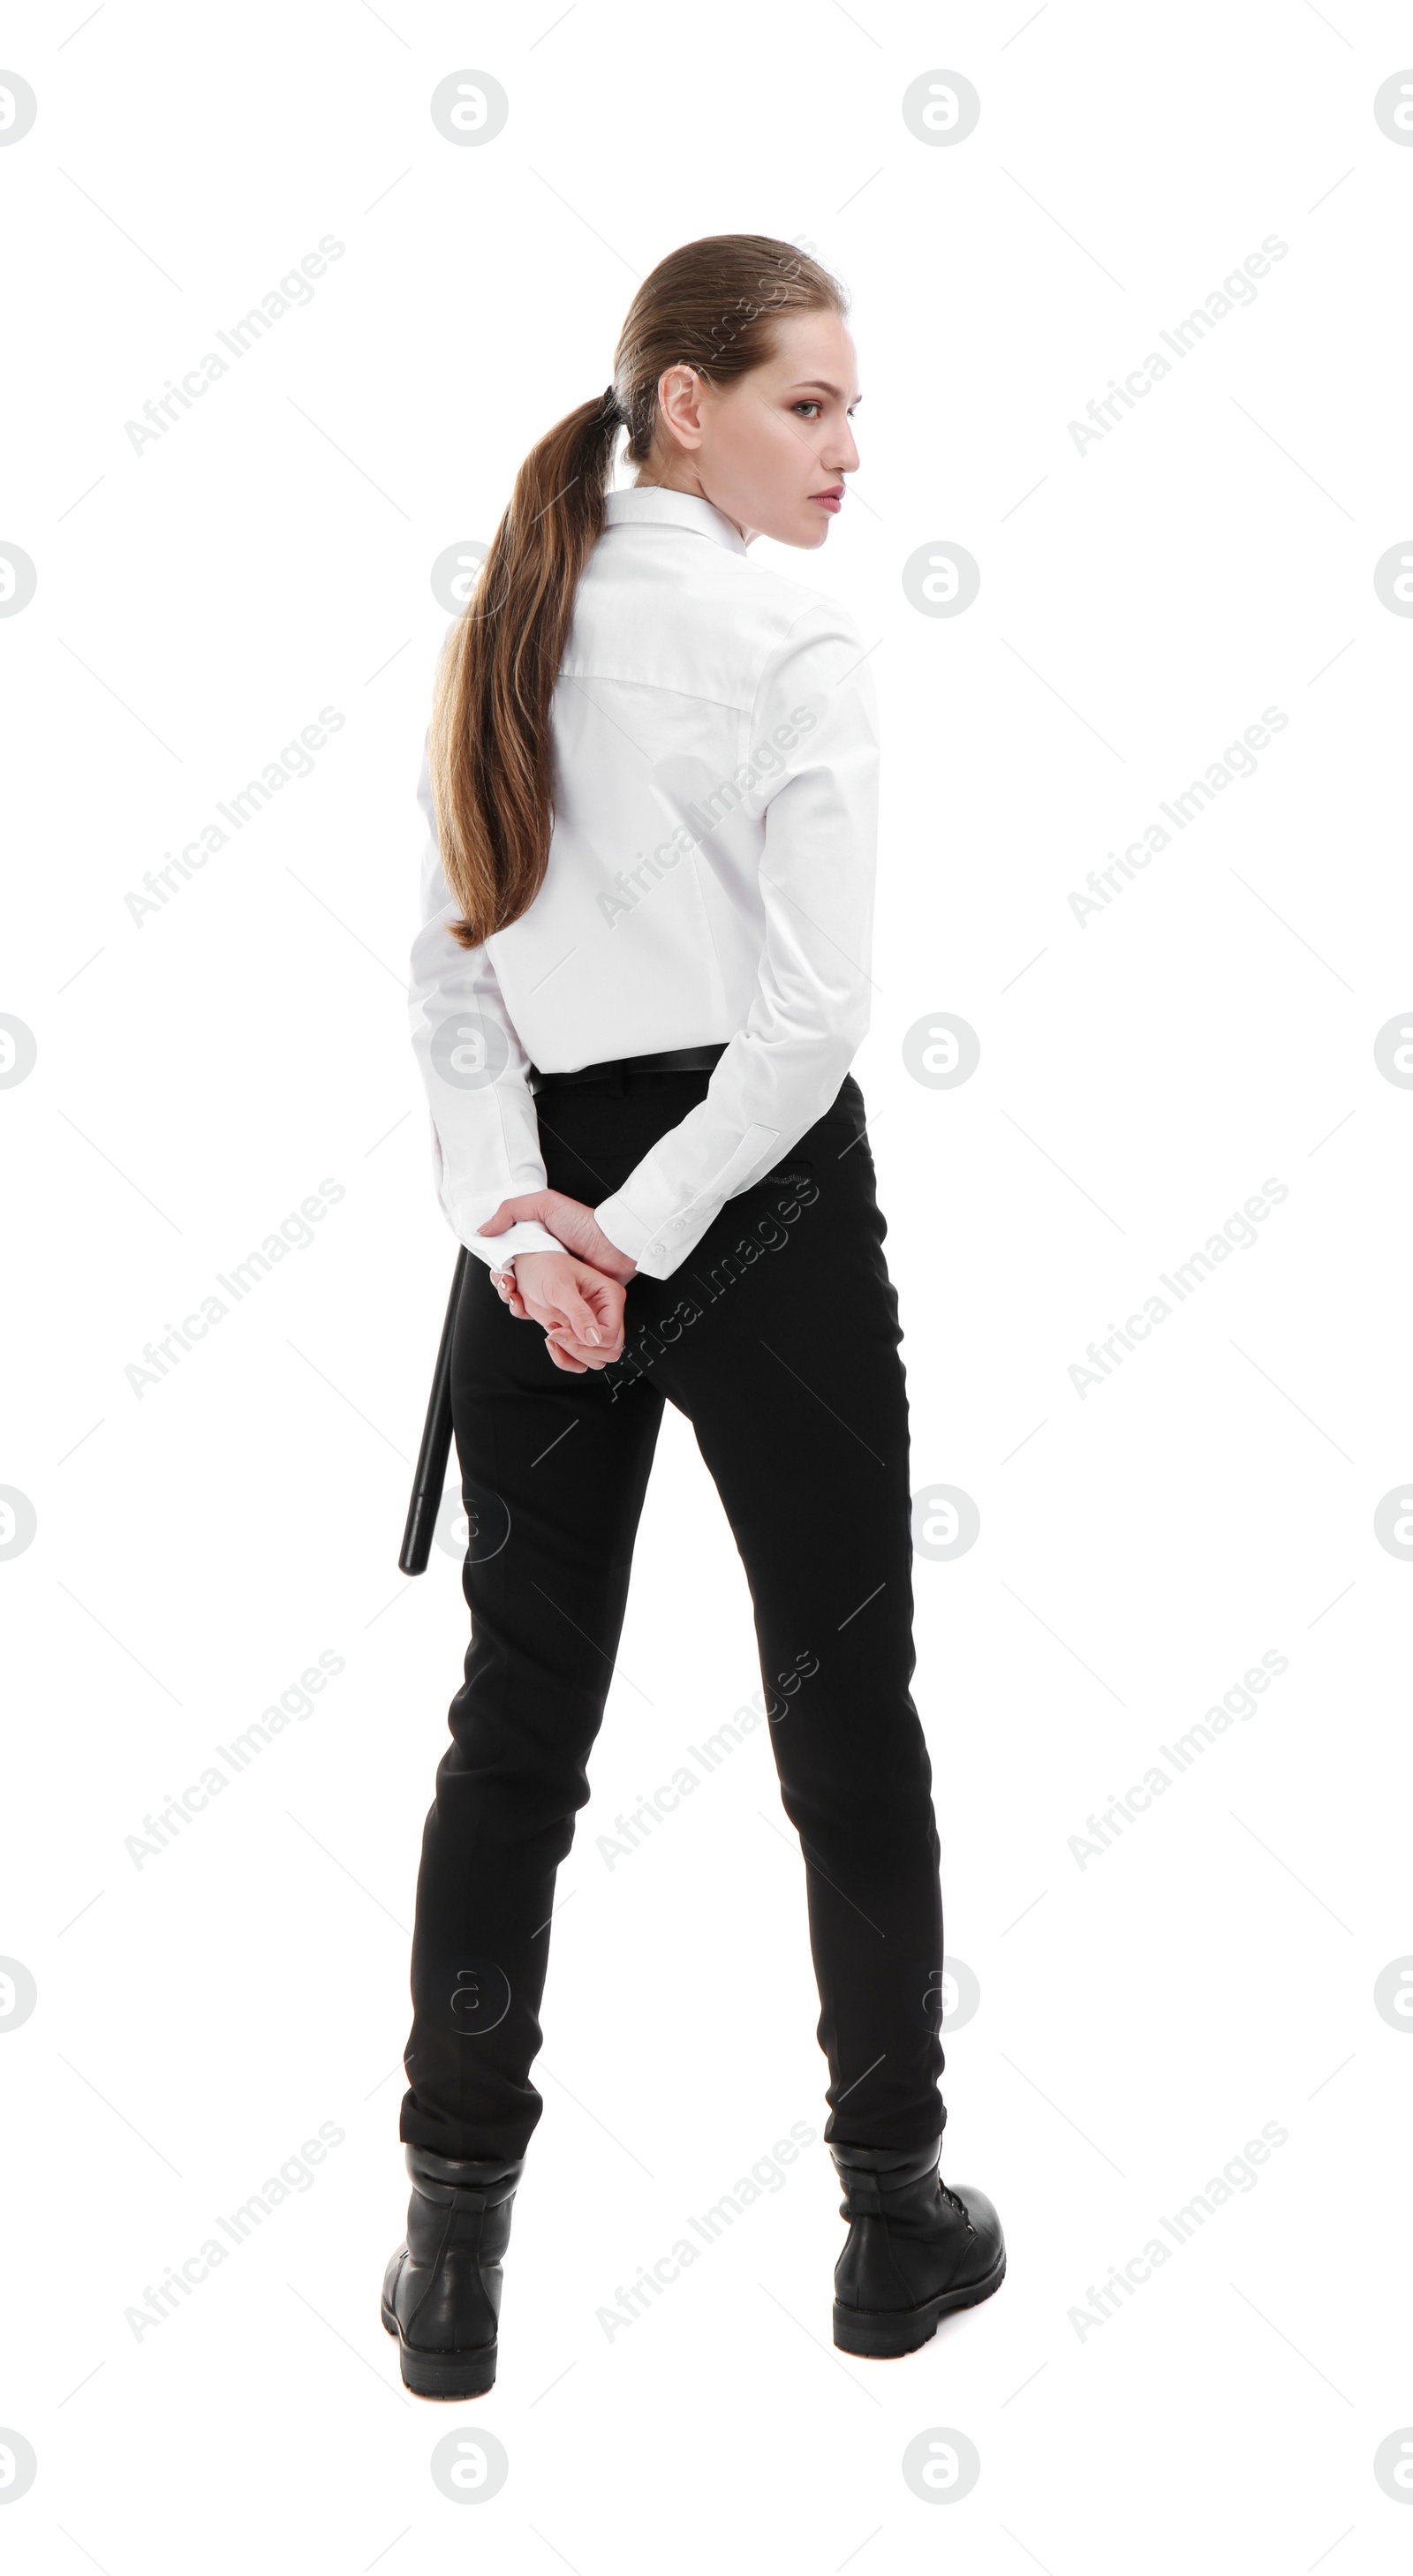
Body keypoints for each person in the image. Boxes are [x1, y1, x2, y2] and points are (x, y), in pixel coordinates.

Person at [381, 233, 1004, 2400]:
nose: (847, 450)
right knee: (846, 1711)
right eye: (807, 405)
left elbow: (450, 974)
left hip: (554, 1201)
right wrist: (631, 1238)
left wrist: (523, 1238)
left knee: (514, 1731)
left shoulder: (509, 621)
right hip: (748, 1212)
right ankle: (888, 2216)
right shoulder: (787, 636)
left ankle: (449, 2245)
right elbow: (810, 1031)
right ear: (679, 402)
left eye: (850, 408)